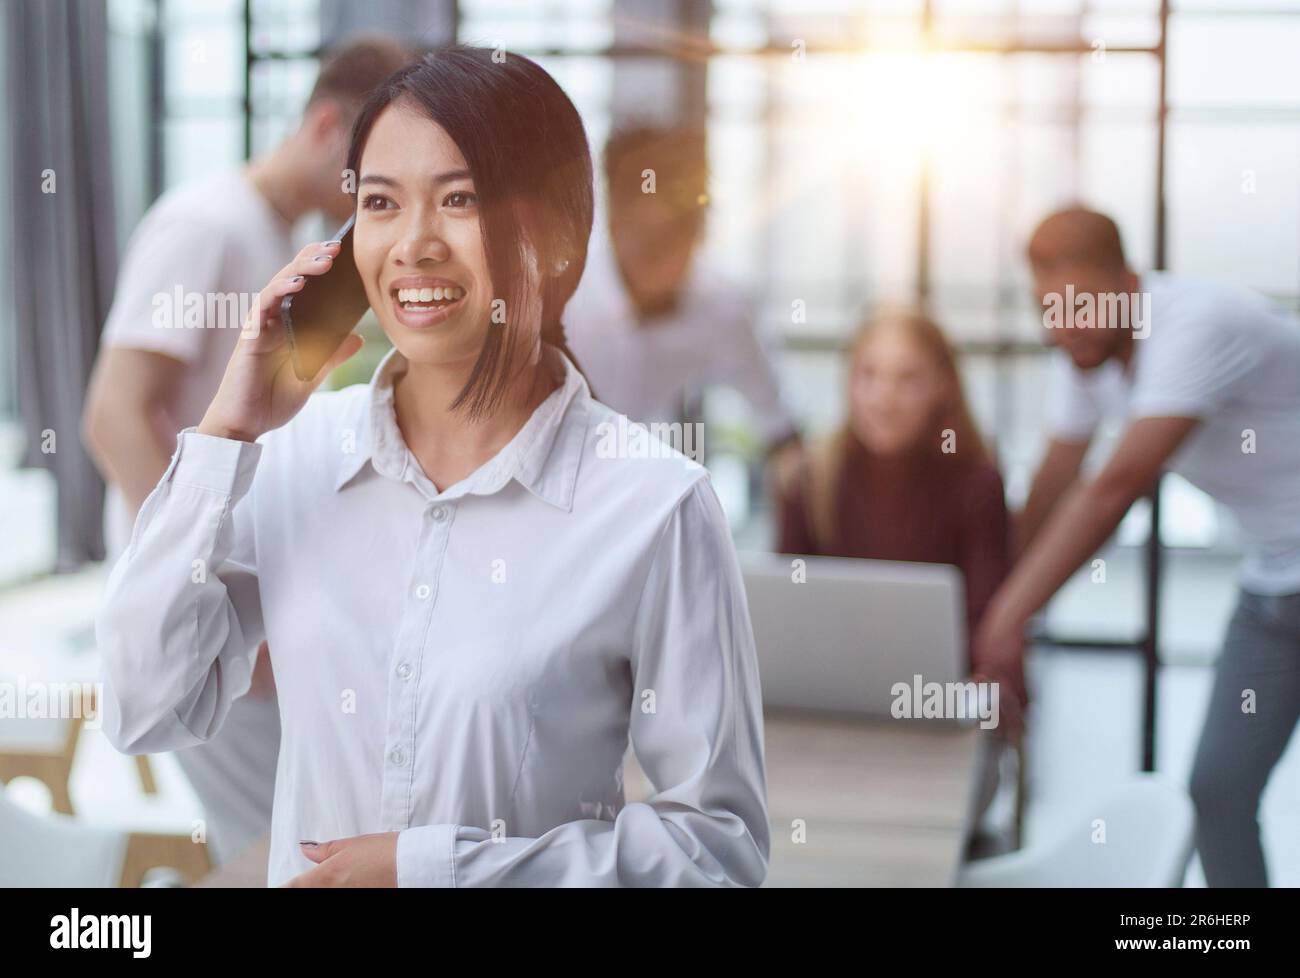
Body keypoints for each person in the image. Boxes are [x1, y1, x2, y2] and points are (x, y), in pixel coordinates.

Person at [95, 46, 769, 888]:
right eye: (379, 202)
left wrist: (436, 870)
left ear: (555, 233)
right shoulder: (296, 459)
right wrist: (227, 433)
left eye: (460, 199)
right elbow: (141, 706)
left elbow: (719, 853)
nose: (413, 243)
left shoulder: (655, 507)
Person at [81, 36, 412, 865]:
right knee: (284, 842)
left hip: (243, 583)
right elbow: (115, 415)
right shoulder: (205, 224)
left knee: (302, 828)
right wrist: (196, 583)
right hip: (203, 591)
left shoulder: (278, 237)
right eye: (369, 169)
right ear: (327, 123)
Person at [974, 206, 1300, 887]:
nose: (1065, 326)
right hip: (1276, 582)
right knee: (1218, 793)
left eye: (1082, 305)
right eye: (1048, 308)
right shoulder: (1086, 351)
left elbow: (1112, 490)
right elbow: (1057, 480)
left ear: (1128, 282)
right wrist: (990, 603)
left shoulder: (1193, 324)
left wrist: (1007, 619)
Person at [565, 126, 802, 485]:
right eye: (647, 240)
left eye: (677, 236)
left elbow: (774, 413)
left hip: (654, 475)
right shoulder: (565, 300)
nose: (661, 259)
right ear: (614, 224)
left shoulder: (723, 307)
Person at [778, 309, 1010, 653]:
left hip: (937, 693)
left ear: (943, 386)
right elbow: (786, 613)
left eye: (908, 379)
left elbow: (986, 625)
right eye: (868, 375)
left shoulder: (976, 483)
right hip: (831, 684)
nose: (884, 398)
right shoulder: (809, 479)